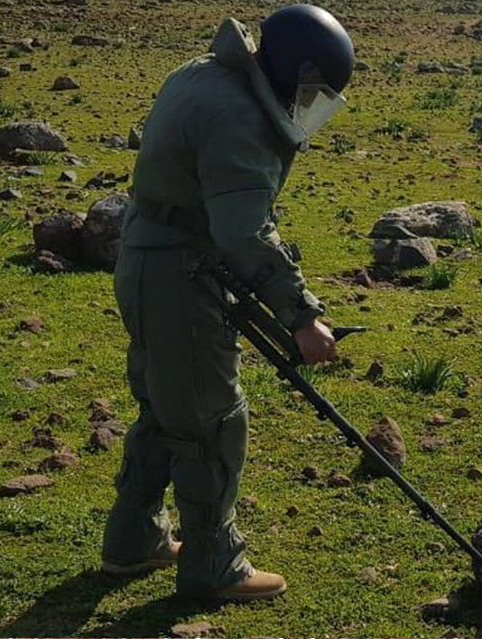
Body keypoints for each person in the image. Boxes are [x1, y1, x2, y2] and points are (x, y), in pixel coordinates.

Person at [97, 4, 354, 601]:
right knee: (212, 420)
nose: (308, 103)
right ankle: (215, 564)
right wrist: (302, 315)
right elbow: (242, 231)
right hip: (180, 275)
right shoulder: (238, 113)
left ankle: (134, 537)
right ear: (299, 70)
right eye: (312, 91)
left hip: (146, 256)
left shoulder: (203, 73)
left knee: (165, 408)